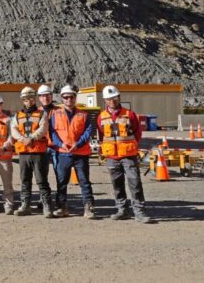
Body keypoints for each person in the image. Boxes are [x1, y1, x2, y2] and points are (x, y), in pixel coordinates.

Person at [98, 85, 152, 223]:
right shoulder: (101, 117)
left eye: (115, 98)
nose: (112, 101)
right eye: (109, 99)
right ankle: (122, 210)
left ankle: (139, 211)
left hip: (128, 156)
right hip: (112, 157)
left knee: (135, 183)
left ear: (119, 97)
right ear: (105, 100)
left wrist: (129, 147)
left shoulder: (130, 114)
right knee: (117, 184)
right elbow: (102, 135)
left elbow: (137, 133)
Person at [50, 85, 95, 219]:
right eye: (66, 97)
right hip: (63, 153)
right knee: (62, 181)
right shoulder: (55, 114)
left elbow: (88, 132)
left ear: (75, 98)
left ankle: (88, 207)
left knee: (84, 181)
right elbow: (52, 132)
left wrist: (78, 144)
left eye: (71, 97)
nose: (69, 99)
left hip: (80, 153)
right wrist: (61, 144)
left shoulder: (84, 114)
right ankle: (62, 207)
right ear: (62, 98)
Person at [10, 87, 53, 218]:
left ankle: (46, 206)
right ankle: (25, 205)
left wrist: (32, 138)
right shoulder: (17, 115)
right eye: (26, 99)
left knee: (42, 180)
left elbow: (43, 128)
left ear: (35, 99)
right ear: (23, 100)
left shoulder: (42, 114)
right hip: (24, 153)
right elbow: (14, 130)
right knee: (25, 180)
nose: (29, 101)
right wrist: (23, 139)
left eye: (31, 98)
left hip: (38, 152)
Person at [38, 84, 62, 188]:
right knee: (42, 174)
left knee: (60, 173)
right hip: (42, 147)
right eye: (43, 96)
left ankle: (60, 196)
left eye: (47, 95)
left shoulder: (60, 111)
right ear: (39, 98)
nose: (45, 98)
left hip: (57, 147)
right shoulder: (36, 112)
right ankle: (45, 196)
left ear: (51, 96)